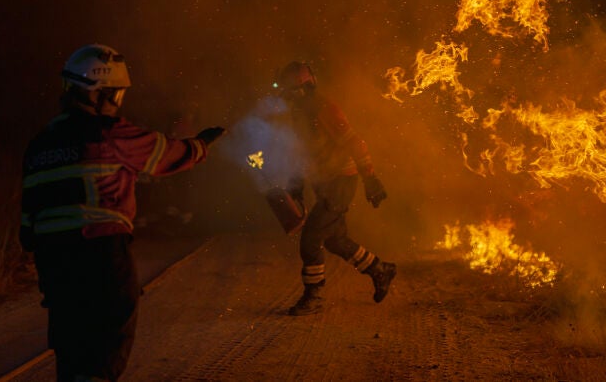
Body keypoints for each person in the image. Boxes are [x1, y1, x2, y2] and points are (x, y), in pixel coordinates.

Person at [20, 43, 226, 381]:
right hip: (101, 257)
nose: (118, 103)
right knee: (104, 353)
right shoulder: (109, 133)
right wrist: (201, 145)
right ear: (101, 93)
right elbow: (167, 154)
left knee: (72, 356)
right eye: (116, 94)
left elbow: (27, 226)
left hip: (54, 264)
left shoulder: (39, 144)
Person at [275, 60, 397, 316]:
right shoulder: (301, 113)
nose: (287, 98)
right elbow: (304, 153)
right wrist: (296, 186)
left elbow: (355, 143)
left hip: (341, 181)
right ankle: (380, 270)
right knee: (335, 240)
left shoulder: (324, 109)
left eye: (291, 92)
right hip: (325, 182)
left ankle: (314, 296)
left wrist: (370, 178)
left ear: (304, 88)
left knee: (311, 238)